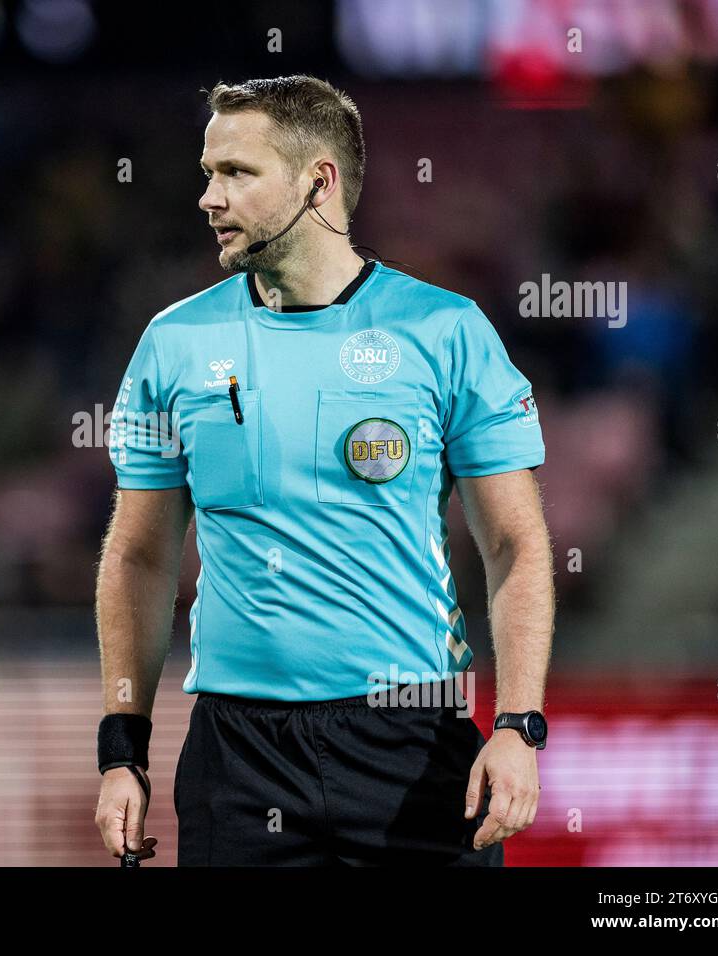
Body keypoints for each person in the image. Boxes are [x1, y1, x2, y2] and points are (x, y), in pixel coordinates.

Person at [94, 75, 553, 866]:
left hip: (413, 743)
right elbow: (138, 555)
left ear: (319, 182)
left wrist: (518, 725)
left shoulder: (447, 332)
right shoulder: (171, 345)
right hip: (238, 758)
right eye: (208, 173)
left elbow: (515, 544)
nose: (209, 197)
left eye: (237, 173)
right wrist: (120, 750)